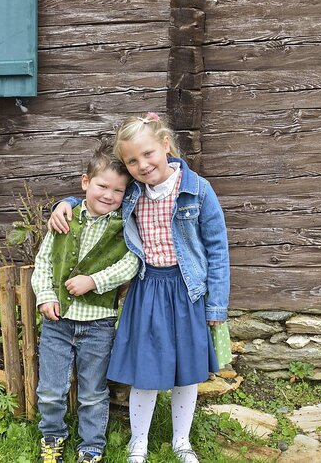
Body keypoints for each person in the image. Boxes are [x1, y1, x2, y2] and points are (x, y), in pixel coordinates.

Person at [49, 112, 230, 463]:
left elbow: (217, 249)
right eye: (132, 161)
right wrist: (66, 203)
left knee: (186, 373)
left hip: (187, 292)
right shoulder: (132, 192)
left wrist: (216, 305)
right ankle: (138, 442)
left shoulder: (197, 190)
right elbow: (99, 198)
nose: (142, 166)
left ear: (165, 145)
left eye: (148, 154)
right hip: (147, 289)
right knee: (144, 369)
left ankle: (181, 441)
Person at [32, 144, 139, 463]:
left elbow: (131, 263)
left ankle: (91, 447)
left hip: (98, 324)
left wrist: (94, 281)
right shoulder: (64, 219)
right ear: (85, 182)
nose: (108, 195)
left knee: (93, 392)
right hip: (58, 322)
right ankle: (52, 437)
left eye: (118, 190)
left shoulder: (124, 225)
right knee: (51, 390)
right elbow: (44, 262)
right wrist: (45, 296)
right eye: (102, 186)